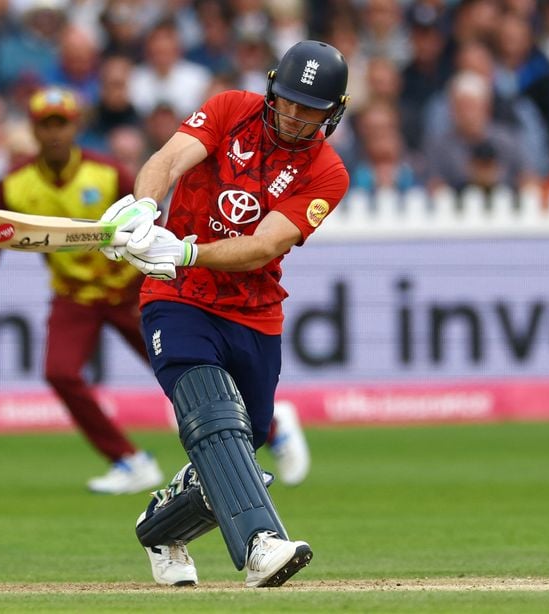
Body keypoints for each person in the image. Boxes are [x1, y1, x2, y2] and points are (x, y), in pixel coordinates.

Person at [99, 40, 349, 588]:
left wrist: (186, 250)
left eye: (310, 110)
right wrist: (145, 208)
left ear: (333, 114)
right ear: (271, 90)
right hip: (178, 297)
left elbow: (264, 246)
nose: (295, 116)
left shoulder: (328, 173)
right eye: (288, 101)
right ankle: (261, 545)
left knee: (238, 443)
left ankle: (161, 528)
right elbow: (166, 161)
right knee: (211, 412)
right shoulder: (231, 108)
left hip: (253, 313)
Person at [0, 86, 164, 495]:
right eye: (46, 125)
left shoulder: (107, 173)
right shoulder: (15, 185)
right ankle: (130, 461)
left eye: (61, 124)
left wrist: (155, 284)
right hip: (74, 295)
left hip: (130, 292)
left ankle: (272, 430)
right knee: (59, 373)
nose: (54, 134)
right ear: (33, 130)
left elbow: (154, 226)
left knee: (177, 367)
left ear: (75, 127)